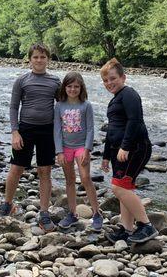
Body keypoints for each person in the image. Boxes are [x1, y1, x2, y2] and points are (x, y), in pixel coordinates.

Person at [0, 43, 60, 232]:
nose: (39, 60)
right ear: (30, 59)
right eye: (35, 57)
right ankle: (7, 205)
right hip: (25, 130)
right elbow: (13, 107)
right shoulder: (22, 80)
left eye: (42, 57)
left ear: (48, 59)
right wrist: (14, 132)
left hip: (47, 131)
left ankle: (44, 212)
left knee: (45, 171)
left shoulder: (55, 82)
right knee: (16, 168)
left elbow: (64, 106)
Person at [100, 58, 158, 243]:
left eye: (112, 78)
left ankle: (146, 225)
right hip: (119, 151)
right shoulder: (115, 100)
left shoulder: (129, 94)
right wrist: (106, 156)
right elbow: (111, 130)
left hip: (136, 148)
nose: (109, 83)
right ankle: (126, 228)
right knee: (124, 187)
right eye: (106, 80)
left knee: (118, 187)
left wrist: (125, 146)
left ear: (123, 77)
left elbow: (135, 121)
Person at [54, 72, 103, 231]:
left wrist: (87, 150)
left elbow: (90, 129)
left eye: (76, 86)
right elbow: (57, 130)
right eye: (69, 86)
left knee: (85, 178)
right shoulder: (59, 106)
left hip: (81, 146)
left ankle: (96, 213)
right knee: (69, 180)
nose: (73, 89)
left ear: (81, 88)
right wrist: (59, 151)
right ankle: (73, 213)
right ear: (64, 87)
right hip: (66, 148)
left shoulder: (86, 105)